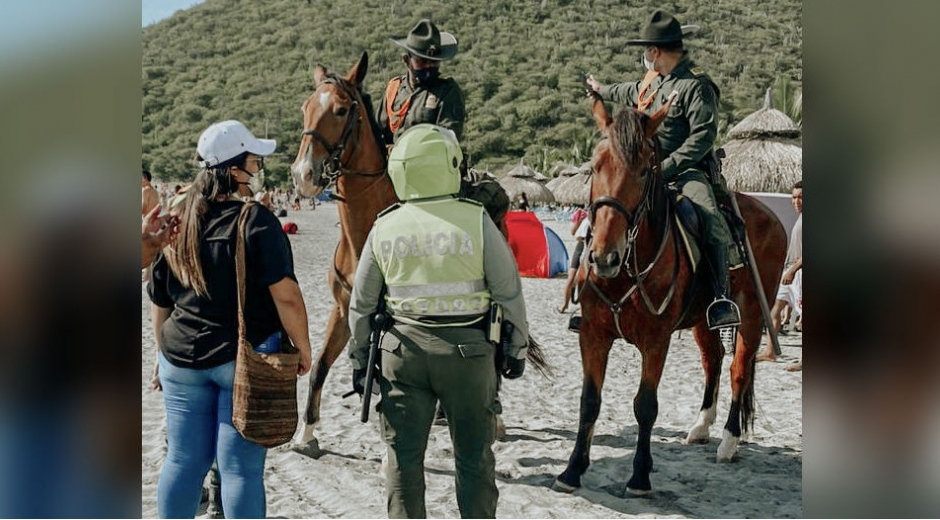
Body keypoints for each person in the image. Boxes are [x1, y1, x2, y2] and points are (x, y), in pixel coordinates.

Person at [347, 124, 528, 518]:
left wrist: (360, 360)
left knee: (403, 460)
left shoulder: (385, 225)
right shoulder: (476, 219)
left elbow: (360, 304)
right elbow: (508, 291)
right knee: (474, 459)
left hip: (401, 354)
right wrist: (517, 349)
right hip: (468, 355)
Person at [147, 120, 313, 518]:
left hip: (180, 357)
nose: (257, 168)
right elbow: (286, 297)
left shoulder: (177, 219)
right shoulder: (254, 221)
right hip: (242, 358)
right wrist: (304, 348)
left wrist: (160, 354)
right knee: (239, 469)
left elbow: (160, 298)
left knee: (184, 461)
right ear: (234, 169)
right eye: (253, 160)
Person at [586, 9, 739, 329]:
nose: (645, 56)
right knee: (604, 207)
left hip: (686, 173)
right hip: (644, 172)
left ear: (655, 52)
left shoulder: (697, 87)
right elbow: (626, 91)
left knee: (710, 220)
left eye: (646, 50)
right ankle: (589, 291)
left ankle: (719, 299)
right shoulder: (655, 83)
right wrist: (601, 88)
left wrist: (666, 168)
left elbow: (703, 137)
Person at [378, 19, 466, 146]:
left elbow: (447, 140)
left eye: (434, 61)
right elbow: (378, 135)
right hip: (393, 164)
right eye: (422, 61)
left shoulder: (447, 91)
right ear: (406, 60)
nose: (429, 66)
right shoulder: (394, 90)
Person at [758, 181, 802, 367]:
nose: (796, 201)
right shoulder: (800, 218)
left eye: (800, 197)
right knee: (775, 309)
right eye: (794, 197)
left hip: (799, 272)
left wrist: (792, 270)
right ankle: (770, 351)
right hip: (790, 269)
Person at [559, 210, 590, 313]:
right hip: (582, 248)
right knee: (573, 278)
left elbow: (576, 235)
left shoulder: (587, 219)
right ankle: (565, 304)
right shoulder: (586, 219)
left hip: (583, 248)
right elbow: (576, 235)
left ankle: (568, 305)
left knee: (581, 280)